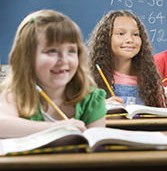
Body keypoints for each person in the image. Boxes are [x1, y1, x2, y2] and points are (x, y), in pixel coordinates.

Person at [0, 9, 107, 138]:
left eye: (71, 51)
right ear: (27, 57)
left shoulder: (91, 100)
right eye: (52, 51)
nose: (64, 60)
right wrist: (57, 127)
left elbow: (96, 148)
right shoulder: (14, 96)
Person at [88, 10, 167, 107]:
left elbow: (162, 113)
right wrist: (99, 106)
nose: (130, 40)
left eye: (135, 34)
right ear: (105, 39)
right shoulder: (91, 78)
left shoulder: (150, 78)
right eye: (121, 34)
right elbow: (81, 115)